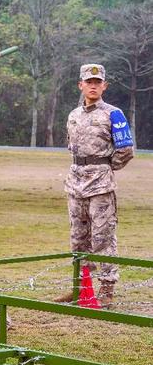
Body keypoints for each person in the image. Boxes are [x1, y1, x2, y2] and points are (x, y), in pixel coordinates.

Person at [54, 64, 134, 308]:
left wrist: (104, 168)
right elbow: (71, 146)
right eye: (89, 82)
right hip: (75, 183)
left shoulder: (114, 114)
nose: (93, 85)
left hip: (100, 185)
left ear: (104, 86)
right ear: (81, 85)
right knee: (78, 238)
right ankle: (80, 288)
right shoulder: (73, 115)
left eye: (97, 82)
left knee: (103, 238)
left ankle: (106, 289)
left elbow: (125, 150)